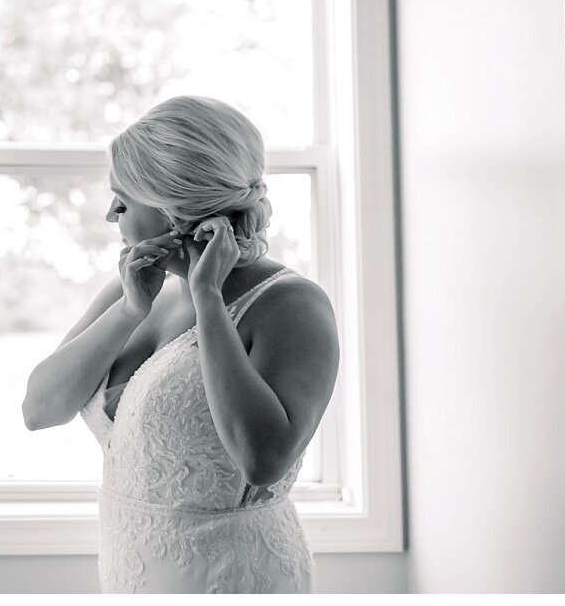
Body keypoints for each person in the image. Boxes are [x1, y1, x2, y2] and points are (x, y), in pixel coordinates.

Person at [22, 95, 340, 593]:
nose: (110, 215)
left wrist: (208, 298)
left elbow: (262, 460)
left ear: (176, 208)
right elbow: (39, 410)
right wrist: (130, 311)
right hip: (132, 574)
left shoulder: (292, 305)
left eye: (123, 201)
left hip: (229, 579)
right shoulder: (131, 289)